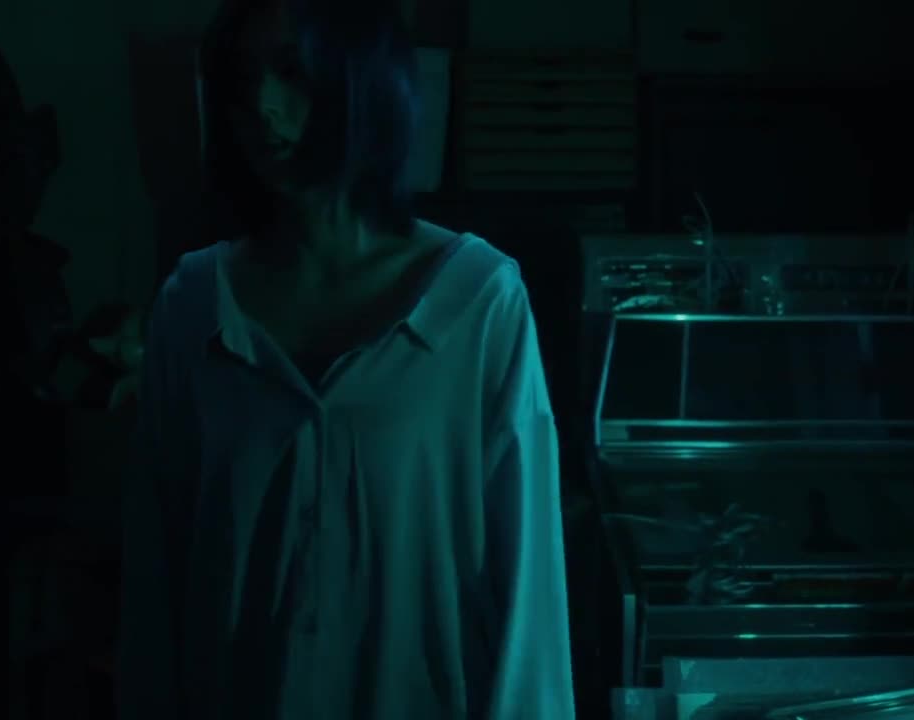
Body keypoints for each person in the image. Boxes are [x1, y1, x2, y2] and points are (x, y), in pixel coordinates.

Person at [116, 0, 575, 718]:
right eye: (241, 79)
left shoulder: (477, 302)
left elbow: (528, 591)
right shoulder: (195, 307)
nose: (262, 106)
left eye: (293, 72)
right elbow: (155, 581)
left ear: (363, 81)